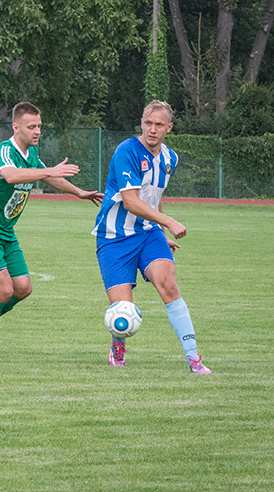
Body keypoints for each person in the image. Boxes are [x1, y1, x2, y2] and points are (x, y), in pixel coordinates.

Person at [0, 102, 103, 360]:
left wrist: (78, 192)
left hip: (5, 232)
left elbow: (47, 177)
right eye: (31, 127)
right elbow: (12, 176)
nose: (37, 131)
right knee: (4, 289)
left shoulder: (32, 155)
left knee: (23, 288)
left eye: (39, 126)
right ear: (16, 127)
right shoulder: (2, 151)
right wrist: (48, 170)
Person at [92, 100, 211, 374]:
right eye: (148, 123)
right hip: (114, 237)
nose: (152, 129)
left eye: (159, 124)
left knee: (168, 284)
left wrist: (161, 232)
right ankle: (118, 345)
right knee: (122, 308)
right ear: (141, 123)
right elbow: (131, 202)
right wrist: (168, 222)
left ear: (169, 127)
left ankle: (193, 357)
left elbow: (153, 197)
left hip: (148, 233)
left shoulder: (170, 159)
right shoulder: (127, 151)